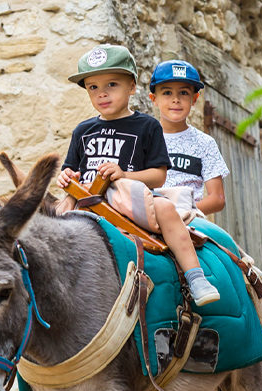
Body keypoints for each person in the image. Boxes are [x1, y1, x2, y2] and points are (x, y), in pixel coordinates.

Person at [57, 45, 219, 306]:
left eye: (112, 84)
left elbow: (159, 176)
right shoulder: (82, 130)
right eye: (93, 87)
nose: (102, 94)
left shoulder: (147, 126)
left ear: (132, 87)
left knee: (165, 208)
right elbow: (71, 169)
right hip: (87, 198)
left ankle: (195, 276)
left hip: (129, 197)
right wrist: (66, 178)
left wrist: (125, 174)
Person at [148, 60, 229, 216]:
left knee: (223, 241)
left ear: (194, 98)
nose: (176, 99)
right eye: (167, 93)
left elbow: (217, 198)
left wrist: (186, 213)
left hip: (190, 218)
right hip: (148, 216)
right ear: (154, 98)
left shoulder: (204, 143)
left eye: (184, 93)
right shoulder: (143, 138)